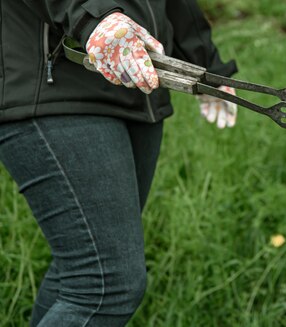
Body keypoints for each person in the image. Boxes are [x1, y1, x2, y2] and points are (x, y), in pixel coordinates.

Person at [0, 1, 237, 325]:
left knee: (84, 270)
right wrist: (89, 16)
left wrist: (205, 64)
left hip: (135, 86)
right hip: (53, 82)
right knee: (105, 286)